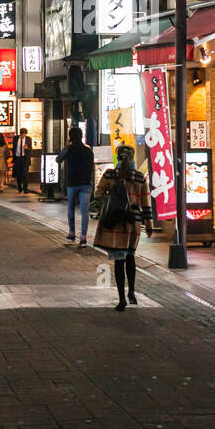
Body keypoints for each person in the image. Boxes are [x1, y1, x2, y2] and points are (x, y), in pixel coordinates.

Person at [94, 144, 151, 310]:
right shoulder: (139, 177)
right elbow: (145, 202)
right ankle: (132, 292)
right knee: (130, 258)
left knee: (119, 260)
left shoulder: (110, 174)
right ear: (132, 158)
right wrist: (148, 224)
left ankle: (121, 299)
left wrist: (106, 204)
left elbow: (98, 193)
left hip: (115, 222)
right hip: (133, 222)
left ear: (117, 157)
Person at [57, 126, 95, 246]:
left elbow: (58, 159)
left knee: (71, 208)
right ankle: (83, 237)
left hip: (72, 182)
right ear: (81, 136)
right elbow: (91, 166)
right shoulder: (88, 150)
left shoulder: (69, 149)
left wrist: (66, 146)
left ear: (70, 137)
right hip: (85, 183)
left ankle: (72, 233)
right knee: (84, 211)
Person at [11, 128, 32, 194]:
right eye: (22, 134)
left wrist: (27, 148)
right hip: (17, 158)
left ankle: (25, 188)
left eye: (25, 134)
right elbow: (13, 148)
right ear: (20, 134)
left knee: (25, 174)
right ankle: (19, 188)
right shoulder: (16, 138)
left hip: (25, 158)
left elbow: (31, 149)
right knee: (19, 174)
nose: (23, 136)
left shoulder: (28, 139)